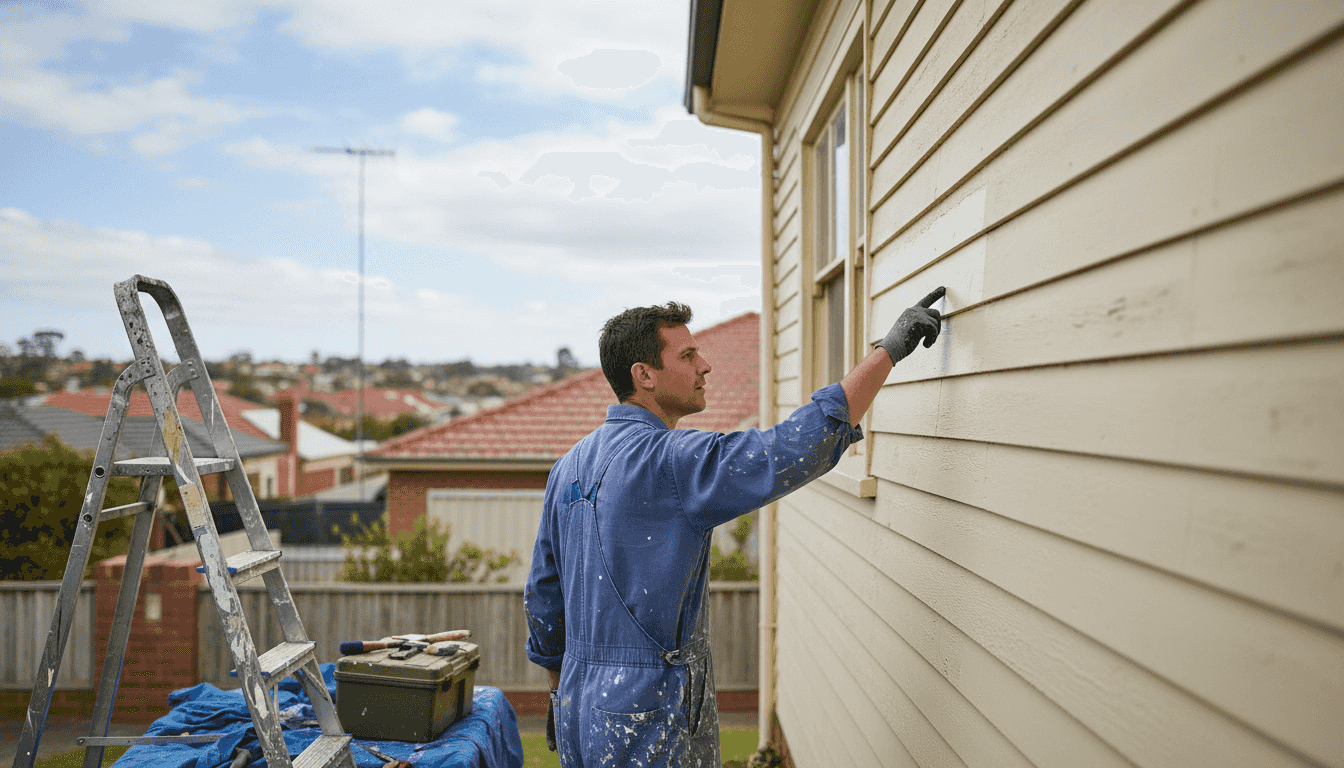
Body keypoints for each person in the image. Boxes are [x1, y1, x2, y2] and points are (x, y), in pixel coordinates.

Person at [525, 287, 946, 767]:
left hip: (579, 705)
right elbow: (789, 448)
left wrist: (561, 697)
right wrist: (887, 351)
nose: (705, 365)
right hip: (644, 714)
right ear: (644, 375)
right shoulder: (669, 462)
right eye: (687, 355)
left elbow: (543, 595)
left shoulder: (569, 466)